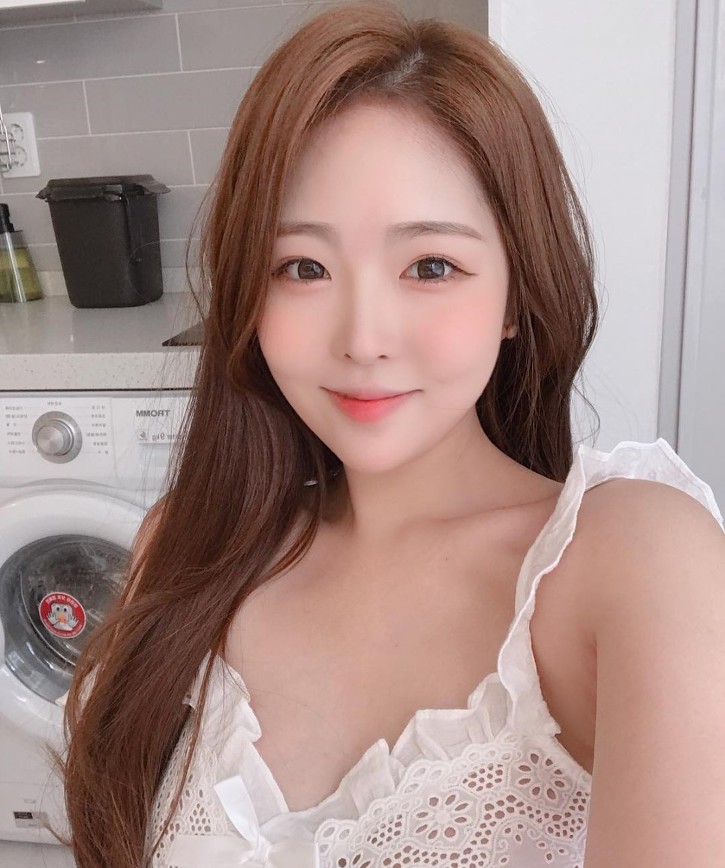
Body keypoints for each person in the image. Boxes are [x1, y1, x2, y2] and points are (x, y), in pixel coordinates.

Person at [59, 2, 725, 866]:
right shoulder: (185, 549)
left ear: (516, 293)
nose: (363, 339)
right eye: (303, 267)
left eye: (430, 266)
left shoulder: (630, 560)